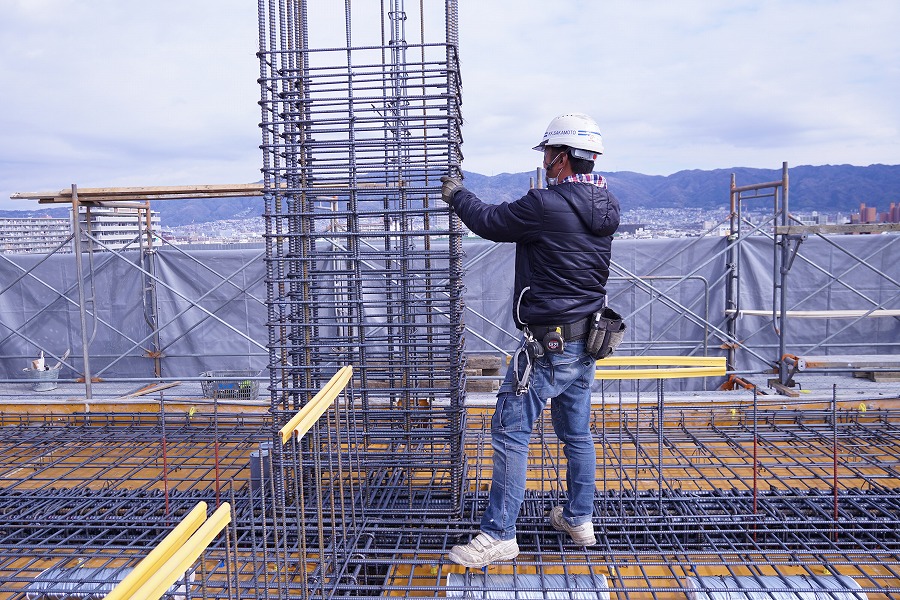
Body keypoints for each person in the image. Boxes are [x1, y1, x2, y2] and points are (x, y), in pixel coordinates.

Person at [440, 113, 620, 568]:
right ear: (591, 157)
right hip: (588, 342)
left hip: (550, 346)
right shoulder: (606, 206)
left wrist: (458, 194)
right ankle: (579, 519)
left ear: (560, 158)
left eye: (547, 153)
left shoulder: (545, 204)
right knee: (577, 434)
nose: (544, 161)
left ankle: (499, 534)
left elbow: (489, 221)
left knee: (510, 432)